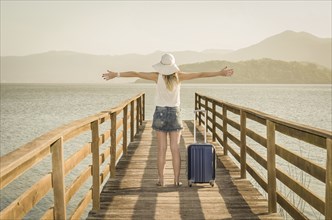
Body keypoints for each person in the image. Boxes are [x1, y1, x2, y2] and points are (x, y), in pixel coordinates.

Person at [102, 53, 233, 187]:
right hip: (175, 113)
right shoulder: (179, 76)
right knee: (175, 148)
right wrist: (220, 73)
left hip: (160, 113)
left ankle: (161, 180)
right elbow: (200, 74)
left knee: (161, 149)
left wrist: (116, 74)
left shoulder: (156, 76)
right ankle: (176, 181)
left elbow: (136, 73)